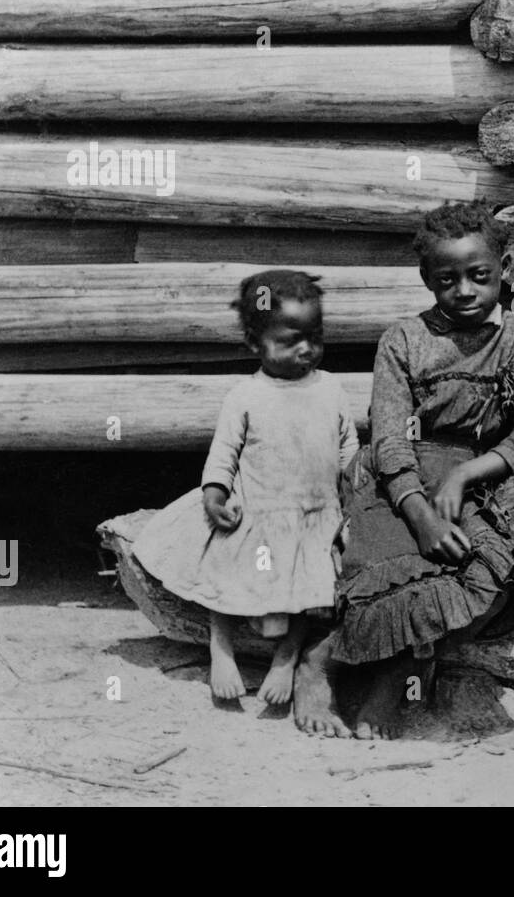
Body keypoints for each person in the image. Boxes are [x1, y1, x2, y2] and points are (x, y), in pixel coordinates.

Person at [294, 201, 514, 739]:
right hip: (396, 479)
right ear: (427, 280)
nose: (464, 290)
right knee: (381, 570)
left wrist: (465, 478)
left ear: (503, 270)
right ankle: (320, 664)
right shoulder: (404, 340)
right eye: (447, 279)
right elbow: (389, 438)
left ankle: (398, 675)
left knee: (488, 574)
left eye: (478, 276)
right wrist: (418, 514)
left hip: (471, 476)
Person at [133, 270, 357, 707]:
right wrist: (215, 494)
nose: (306, 349)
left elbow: (347, 444)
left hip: (315, 514)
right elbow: (223, 453)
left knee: (309, 589)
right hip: (257, 511)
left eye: (314, 336)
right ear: (255, 344)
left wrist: (354, 489)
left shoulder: (331, 389)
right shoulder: (246, 395)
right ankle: (222, 649)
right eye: (289, 340)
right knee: (227, 569)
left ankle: (286, 657)